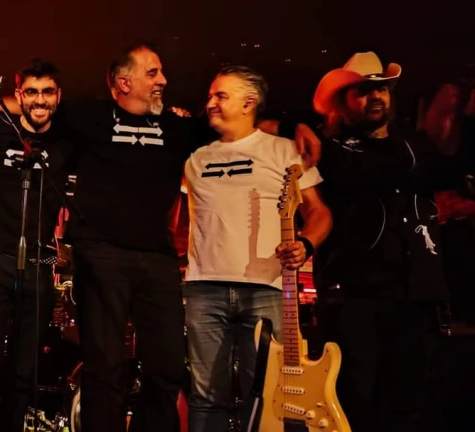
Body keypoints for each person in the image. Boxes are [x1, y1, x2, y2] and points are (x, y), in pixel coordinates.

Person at [58, 43, 322, 432]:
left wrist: (294, 123)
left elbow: (248, 131)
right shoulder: (91, 118)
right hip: (127, 263)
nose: (164, 80)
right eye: (153, 72)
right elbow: (32, 112)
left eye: (162, 72)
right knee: (114, 368)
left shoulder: (182, 130)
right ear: (123, 81)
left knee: (177, 369)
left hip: (181, 265)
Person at [182, 65, 332, 432]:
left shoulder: (285, 151)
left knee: (270, 392)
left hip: (267, 288)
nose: (210, 103)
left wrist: (305, 244)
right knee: (205, 395)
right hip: (204, 287)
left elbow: (319, 213)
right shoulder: (195, 157)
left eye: (221, 96)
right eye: (210, 96)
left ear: (249, 102)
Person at [311, 52, 448, 432]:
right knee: (354, 400)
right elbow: (367, 176)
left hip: (416, 293)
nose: (376, 97)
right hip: (355, 296)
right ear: (343, 101)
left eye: (382, 89)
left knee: (409, 401)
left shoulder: (413, 147)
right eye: (363, 91)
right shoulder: (332, 150)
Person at [0, 58, 74, 432]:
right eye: (31, 92)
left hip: (38, 264)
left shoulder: (67, 142)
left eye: (47, 92)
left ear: (58, 95)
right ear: (19, 95)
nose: (39, 100)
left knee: (24, 370)